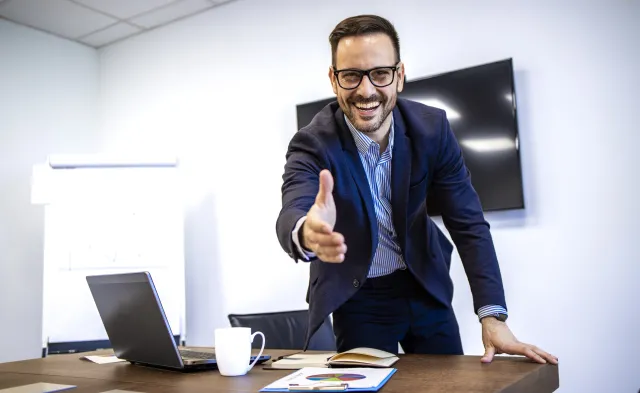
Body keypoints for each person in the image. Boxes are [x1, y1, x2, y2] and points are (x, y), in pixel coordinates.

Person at [276, 14, 557, 364]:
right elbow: (294, 206)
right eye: (351, 76)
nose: (366, 91)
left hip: (424, 282)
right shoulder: (312, 143)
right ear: (334, 80)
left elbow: (468, 223)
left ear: (399, 76)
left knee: (447, 385)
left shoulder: (432, 129)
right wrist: (307, 233)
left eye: (380, 74)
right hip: (359, 295)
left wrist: (492, 316)